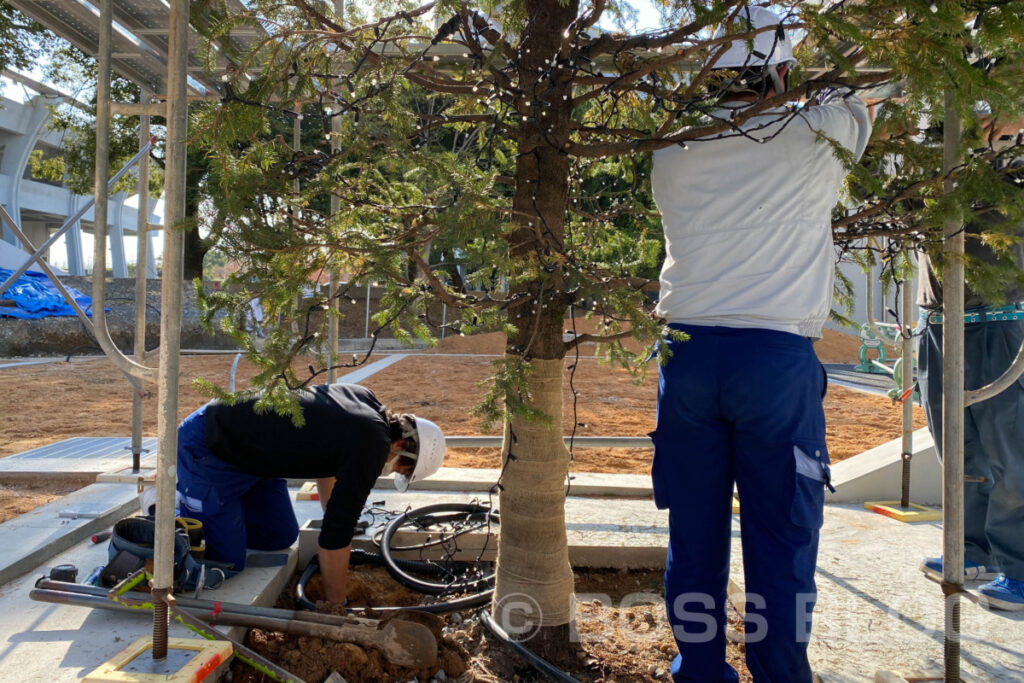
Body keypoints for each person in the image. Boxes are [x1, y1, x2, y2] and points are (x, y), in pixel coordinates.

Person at [649, 6, 871, 681]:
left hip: (686, 358)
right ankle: (778, 670)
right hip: (773, 361)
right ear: (779, 69)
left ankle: (700, 668)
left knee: (694, 535)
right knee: (780, 535)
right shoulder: (816, 131)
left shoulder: (673, 148)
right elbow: (856, 103)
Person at [175, 382, 445, 604]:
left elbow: (326, 462)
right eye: (401, 469)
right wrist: (335, 605)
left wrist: (336, 519)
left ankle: (222, 511)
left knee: (279, 536)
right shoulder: (373, 445)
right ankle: (168, 512)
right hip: (210, 445)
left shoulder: (367, 404)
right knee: (227, 563)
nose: (394, 472)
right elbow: (334, 538)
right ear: (400, 445)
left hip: (252, 457)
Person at [917, 214, 1024, 611]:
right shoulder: (929, 173)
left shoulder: (1009, 168)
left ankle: (1021, 569)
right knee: (956, 447)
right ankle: (973, 550)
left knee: (1008, 453)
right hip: (937, 324)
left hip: (996, 322)